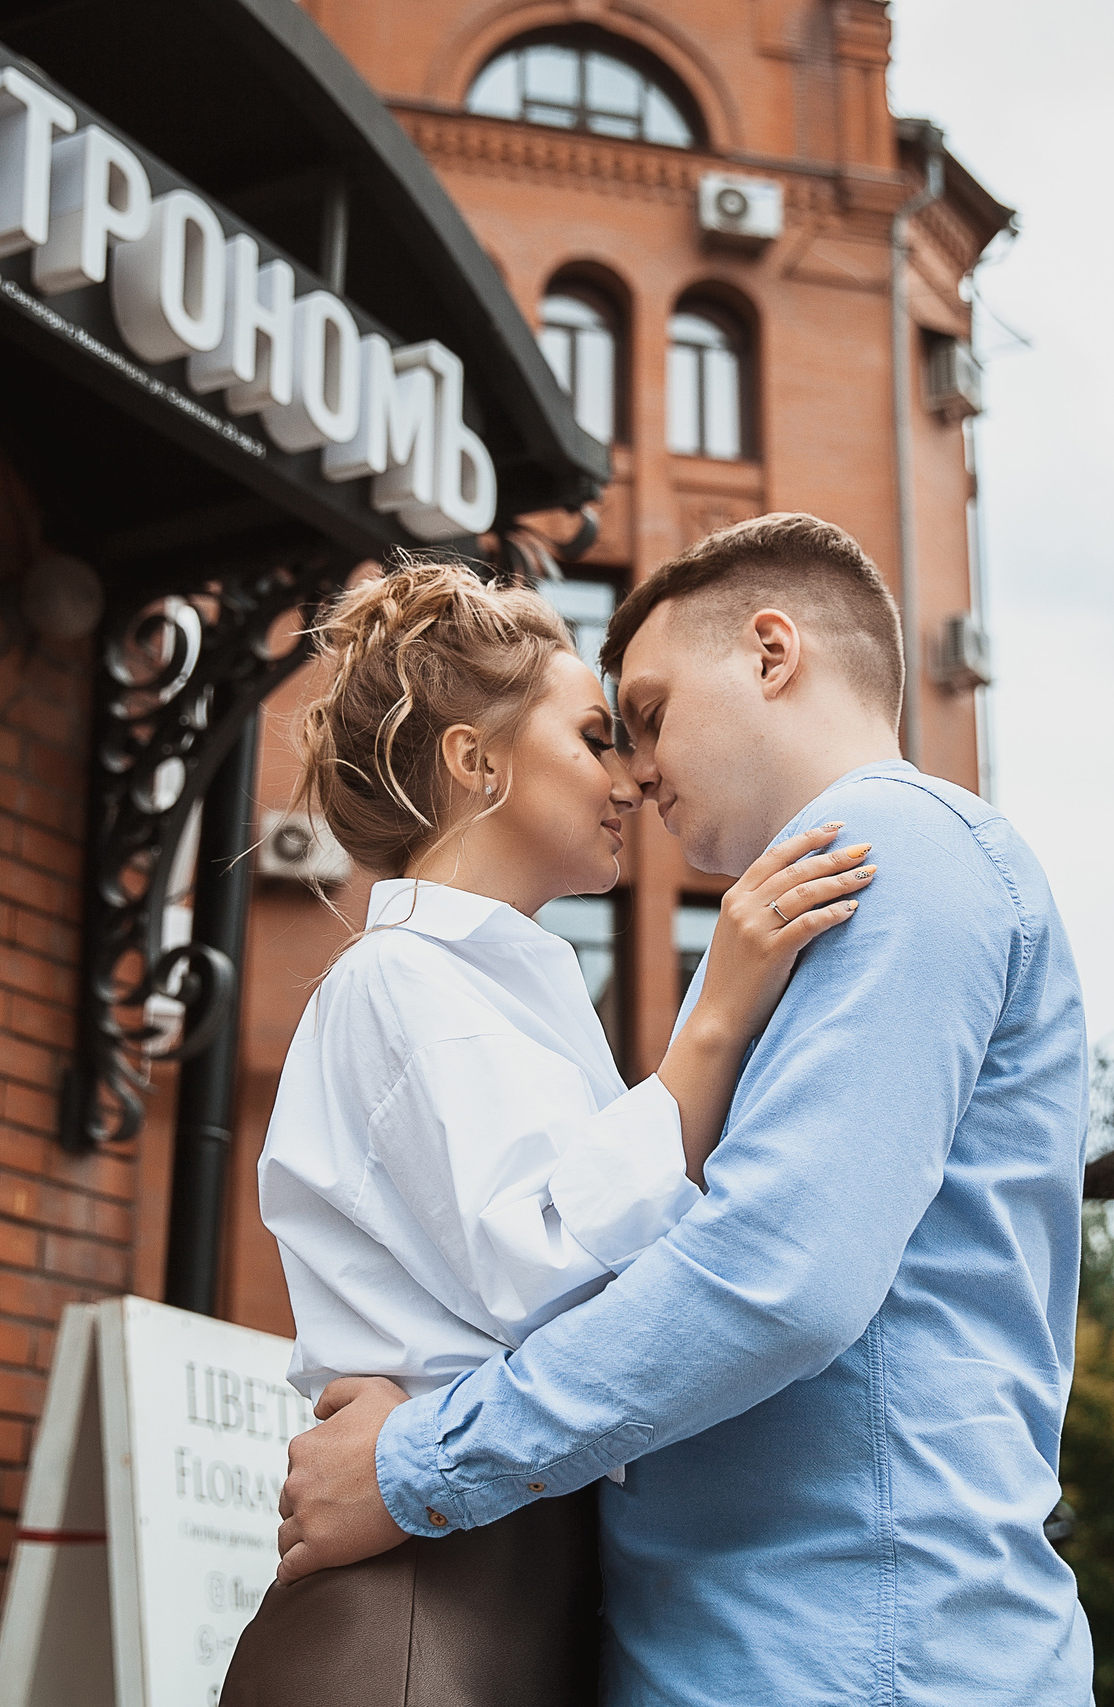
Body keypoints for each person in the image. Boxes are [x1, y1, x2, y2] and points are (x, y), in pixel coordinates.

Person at [272, 513, 1095, 1705]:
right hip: (771, 1641)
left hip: (847, 1652)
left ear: (771, 654)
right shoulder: (763, 915)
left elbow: (774, 1275)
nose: (635, 769)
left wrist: (414, 1463)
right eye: (606, 733)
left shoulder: (884, 845)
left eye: (645, 715)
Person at [221, 556, 877, 1705]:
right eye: (594, 737)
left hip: (487, 1555)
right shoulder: (404, 981)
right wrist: (713, 1020)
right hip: (430, 1593)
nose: (633, 777)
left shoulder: (503, 990)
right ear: (476, 762)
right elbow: (549, 1273)